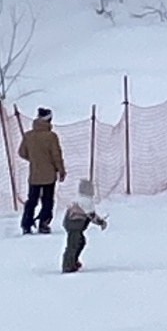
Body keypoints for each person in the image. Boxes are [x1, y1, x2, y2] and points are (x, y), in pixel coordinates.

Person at [17, 107, 63, 235]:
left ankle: (26, 224)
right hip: (49, 174)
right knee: (47, 200)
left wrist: (33, 159)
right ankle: (43, 223)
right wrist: (61, 170)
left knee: (32, 200)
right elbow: (56, 155)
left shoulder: (28, 136)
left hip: (34, 173)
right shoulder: (51, 136)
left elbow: (21, 153)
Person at [61, 179, 106, 273]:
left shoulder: (79, 198)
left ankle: (73, 260)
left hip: (73, 224)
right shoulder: (86, 200)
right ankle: (68, 265)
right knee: (73, 245)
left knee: (80, 242)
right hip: (75, 225)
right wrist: (100, 222)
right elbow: (91, 215)